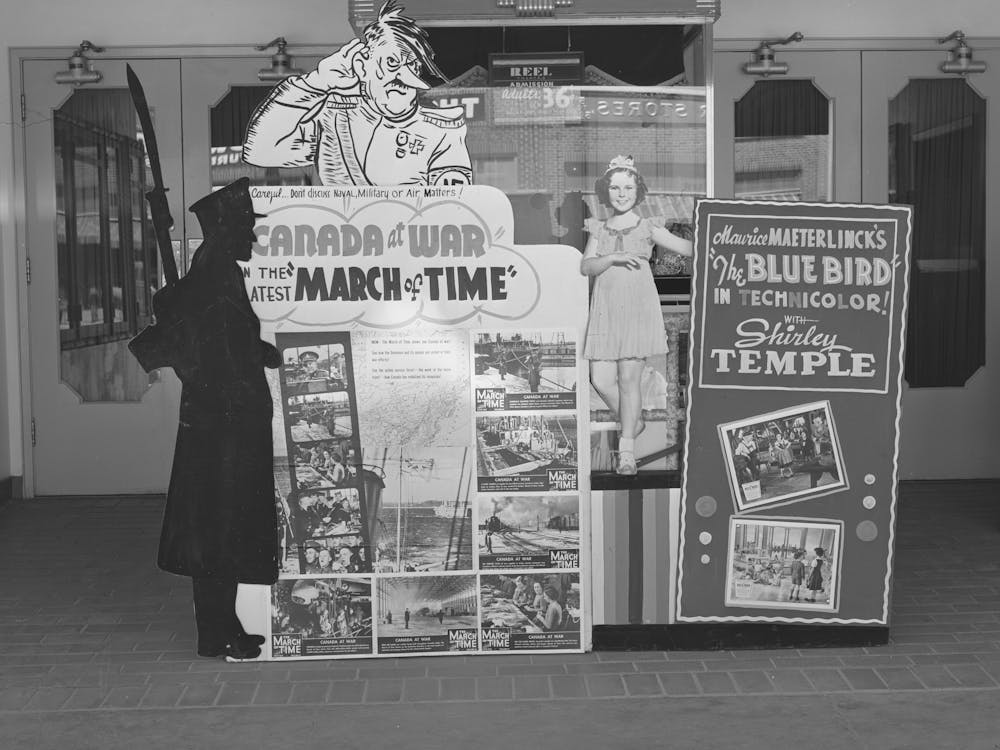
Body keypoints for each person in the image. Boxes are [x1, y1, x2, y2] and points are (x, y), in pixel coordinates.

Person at [128, 178, 281, 661]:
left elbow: (224, 338)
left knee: (221, 528)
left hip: (225, 423)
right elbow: (200, 343)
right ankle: (215, 632)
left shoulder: (218, 274)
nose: (251, 238)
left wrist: (257, 351)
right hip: (222, 427)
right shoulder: (213, 275)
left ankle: (221, 627)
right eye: (244, 228)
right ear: (223, 231)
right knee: (219, 529)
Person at [243, 1, 472, 187]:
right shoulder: (333, 120)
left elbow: (453, 207)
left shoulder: (441, 130)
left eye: (412, 66)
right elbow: (260, 151)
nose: (403, 77)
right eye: (391, 62)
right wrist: (315, 83)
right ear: (363, 66)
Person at [580, 156, 692, 476]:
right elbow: (586, 266)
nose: (621, 193)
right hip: (605, 311)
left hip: (637, 311)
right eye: (615, 187)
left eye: (628, 187)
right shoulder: (599, 228)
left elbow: (687, 249)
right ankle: (635, 420)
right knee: (600, 379)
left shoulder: (647, 227)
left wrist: (720, 234)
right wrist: (612, 257)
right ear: (606, 191)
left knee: (630, 381)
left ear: (637, 191)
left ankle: (626, 451)